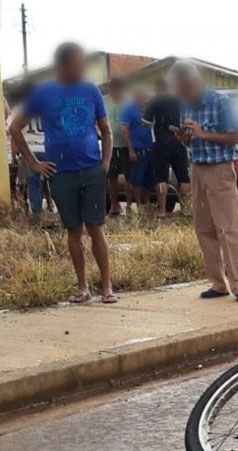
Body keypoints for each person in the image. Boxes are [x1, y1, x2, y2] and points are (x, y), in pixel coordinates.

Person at [9, 42, 117, 304]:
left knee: (96, 228)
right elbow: (15, 128)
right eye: (78, 62)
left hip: (91, 170)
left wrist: (105, 163)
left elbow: (106, 130)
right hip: (62, 173)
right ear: (62, 65)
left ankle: (107, 287)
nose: (82, 67)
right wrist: (34, 163)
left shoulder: (91, 90)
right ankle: (83, 287)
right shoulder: (44, 93)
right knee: (73, 230)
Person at [170, 60, 238, 303]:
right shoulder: (185, 105)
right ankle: (218, 283)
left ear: (195, 83)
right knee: (204, 229)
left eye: (184, 90)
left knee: (228, 228)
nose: (182, 95)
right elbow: (191, 140)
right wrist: (185, 138)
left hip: (220, 170)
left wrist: (205, 134)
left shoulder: (220, 102)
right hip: (197, 168)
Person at [143, 77, 190, 217]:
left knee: (161, 178)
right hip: (179, 141)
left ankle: (162, 211)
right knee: (183, 177)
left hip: (161, 143)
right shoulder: (180, 100)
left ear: (157, 88)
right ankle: (185, 209)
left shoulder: (154, 101)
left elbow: (146, 122)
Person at [121, 87, 155, 213]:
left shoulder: (149, 108)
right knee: (136, 179)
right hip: (137, 149)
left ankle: (147, 204)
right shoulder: (129, 109)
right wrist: (131, 150)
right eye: (142, 97)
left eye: (146, 97)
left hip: (151, 148)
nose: (144, 99)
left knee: (150, 179)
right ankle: (138, 203)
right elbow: (124, 130)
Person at [104, 78, 129, 215]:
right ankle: (114, 204)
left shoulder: (128, 101)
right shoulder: (104, 101)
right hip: (110, 145)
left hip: (126, 145)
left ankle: (130, 204)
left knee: (128, 176)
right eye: (112, 88)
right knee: (112, 176)